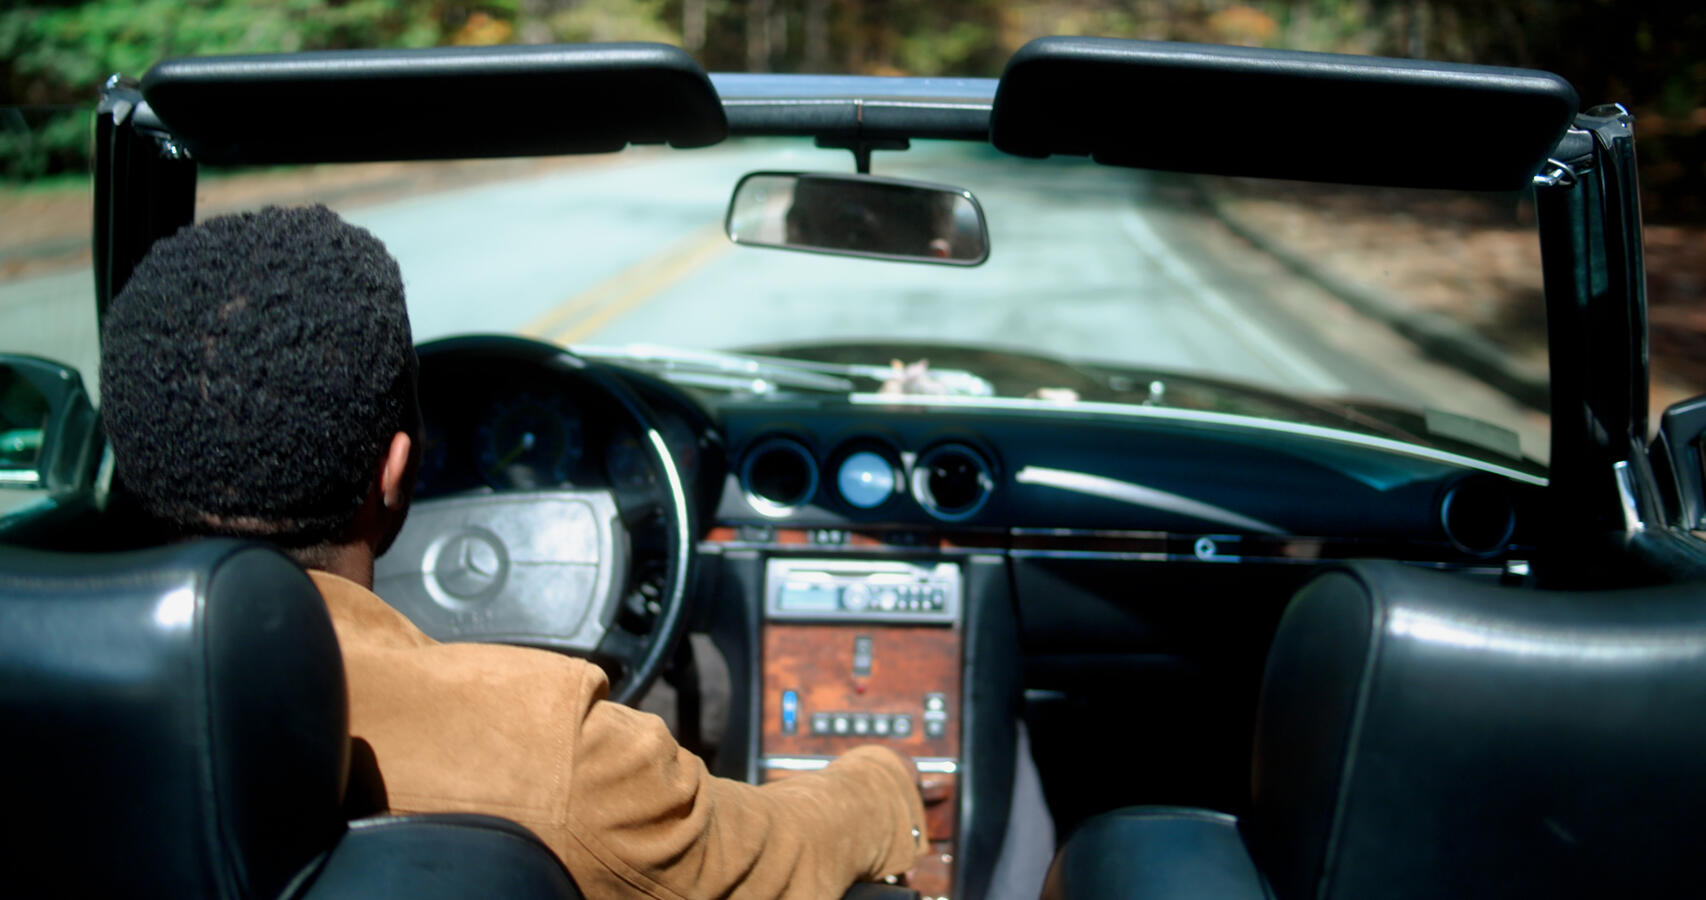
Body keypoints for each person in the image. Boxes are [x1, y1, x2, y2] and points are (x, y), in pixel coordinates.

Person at [99, 205, 928, 898]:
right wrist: (885, 781)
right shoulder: (555, 749)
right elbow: (771, 857)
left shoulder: (35, 678)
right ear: (397, 472)